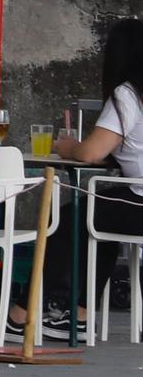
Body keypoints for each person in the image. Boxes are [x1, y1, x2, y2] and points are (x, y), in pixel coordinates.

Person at [40, 18, 143, 342]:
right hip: (132, 199)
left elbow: (90, 153)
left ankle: (36, 309)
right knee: (99, 218)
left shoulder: (128, 94)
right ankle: (80, 312)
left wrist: (69, 145)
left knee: (66, 218)